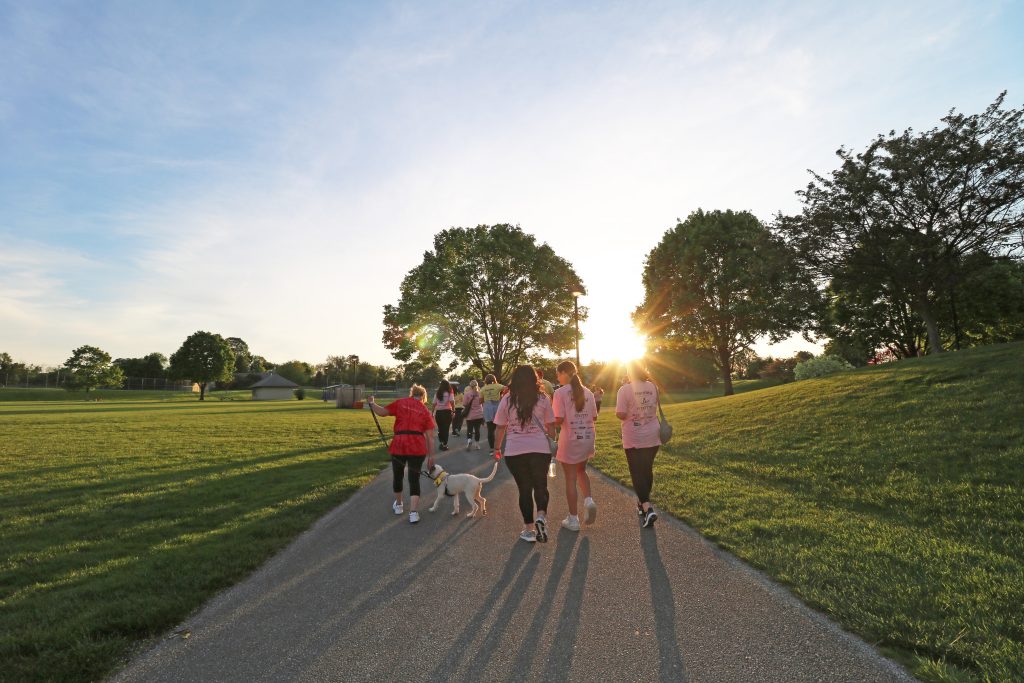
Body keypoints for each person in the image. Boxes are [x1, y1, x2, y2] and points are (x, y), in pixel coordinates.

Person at [494, 365, 556, 543]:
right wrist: (551, 443)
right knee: (541, 485)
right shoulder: (543, 398)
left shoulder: (507, 399)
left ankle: (529, 530)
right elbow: (551, 425)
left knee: (524, 489)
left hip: (515, 451)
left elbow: (500, 427)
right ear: (534, 378)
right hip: (540, 449)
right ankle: (541, 517)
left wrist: (497, 448)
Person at [367, 385, 437, 524]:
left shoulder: (401, 402)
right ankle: (413, 512)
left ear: (412, 393)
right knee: (414, 479)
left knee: (398, 475)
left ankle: (399, 505)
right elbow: (430, 437)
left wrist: (372, 403)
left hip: (399, 443)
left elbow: (382, 412)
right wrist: (431, 457)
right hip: (417, 446)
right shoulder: (425, 410)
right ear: (423, 397)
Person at [615, 361, 661, 527]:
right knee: (647, 469)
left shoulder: (625, 389)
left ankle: (648, 508)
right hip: (653, 434)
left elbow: (620, 413)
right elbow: (654, 406)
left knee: (636, 472)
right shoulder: (653, 387)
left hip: (634, 436)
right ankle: (642, 504)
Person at [552, 361, 598, 531]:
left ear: (564, 372)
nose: (557, 377)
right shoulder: (588, 392)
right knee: (581, 471)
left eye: (558, 373)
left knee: (570, 479)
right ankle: (589, 501)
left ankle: (573, 519)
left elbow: (558, 419)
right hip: (587, 437)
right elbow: (594, 417)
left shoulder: (560, 393)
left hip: (570, 439)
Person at [480, 374, 505, 455]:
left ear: (486, 380)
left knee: (490, 429)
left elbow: (480, 401)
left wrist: (487, 397)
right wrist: (502, 395)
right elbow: (507, 389)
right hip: (497, 407)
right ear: (494, 379)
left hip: (487, 408)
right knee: (500, 428)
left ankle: (491, 449)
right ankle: (499, 447)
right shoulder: (498, 386)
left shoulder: (483, 388)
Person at [462, 379, 485, 450]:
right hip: (479, 414)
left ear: (470, 386)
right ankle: (477, 445)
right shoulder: (480, 393)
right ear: (477, 385)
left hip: (470, 415)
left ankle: (469, 441)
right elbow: (483, 403)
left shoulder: (467, 394)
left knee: (470, 429)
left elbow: (464, 404)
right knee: (477, 430)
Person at [432, 380, 455, 451]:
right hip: (447, 412)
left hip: (438, 413)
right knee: (446, 429)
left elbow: (433, 403)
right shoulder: (449, 392)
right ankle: (444, 444)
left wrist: (432, 413)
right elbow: (452, 402)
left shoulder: (437, 392)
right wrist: (453, 411)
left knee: (440, 428)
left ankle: (441, 442)